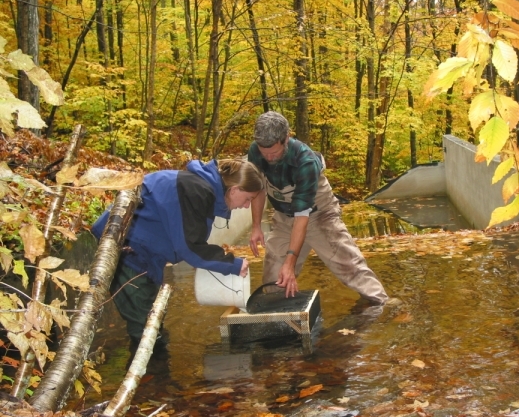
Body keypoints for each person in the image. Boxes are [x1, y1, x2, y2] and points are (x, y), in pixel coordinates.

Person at [92, 158, 264, 346]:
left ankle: (153, 368)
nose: (247, 206)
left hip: (143, 250)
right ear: (234, 189)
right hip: (124, 248)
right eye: (248, 199)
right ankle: (149, 371)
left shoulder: (200, 187)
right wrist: (232, 264)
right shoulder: (195, 191)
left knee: (153, 316)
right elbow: (191, 247)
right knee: (147, 329)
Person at [247, 111, 388, 305]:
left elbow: (302, 216)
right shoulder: (255, 152)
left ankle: (382, 306)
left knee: (349, 267)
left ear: (286, 138)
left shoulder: (305, 161)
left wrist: (291, 261)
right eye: (265, 153)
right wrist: (256, 227)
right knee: (273, 281)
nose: (269, 157)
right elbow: (257, 188)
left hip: (319, 214)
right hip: (283, 217)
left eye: (275, 152)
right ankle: (281, 320)